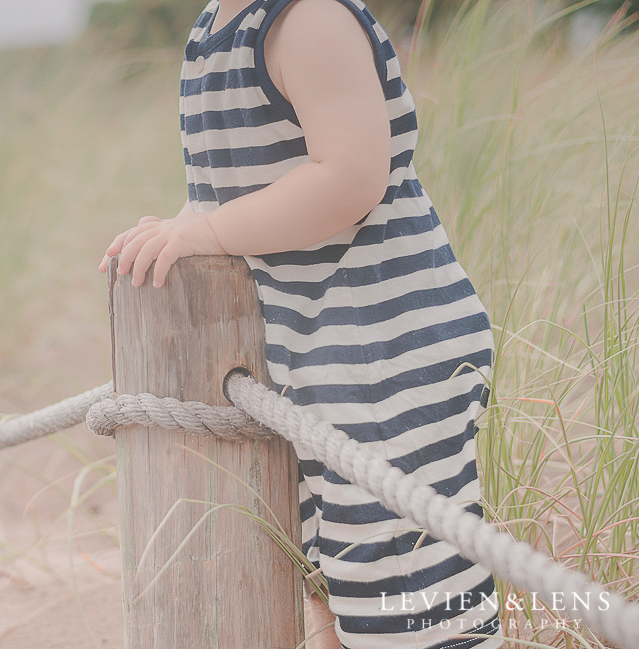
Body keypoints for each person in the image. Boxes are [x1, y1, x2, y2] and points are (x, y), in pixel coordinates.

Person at [99, 0, 502, 647]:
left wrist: (204, 229)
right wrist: (183, 228)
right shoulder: (212, 33)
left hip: (382, 348)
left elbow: (350, 176)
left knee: (404, 575)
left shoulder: (310, 18)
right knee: (330, 565)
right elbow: (227, 187)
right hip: (312, 356)